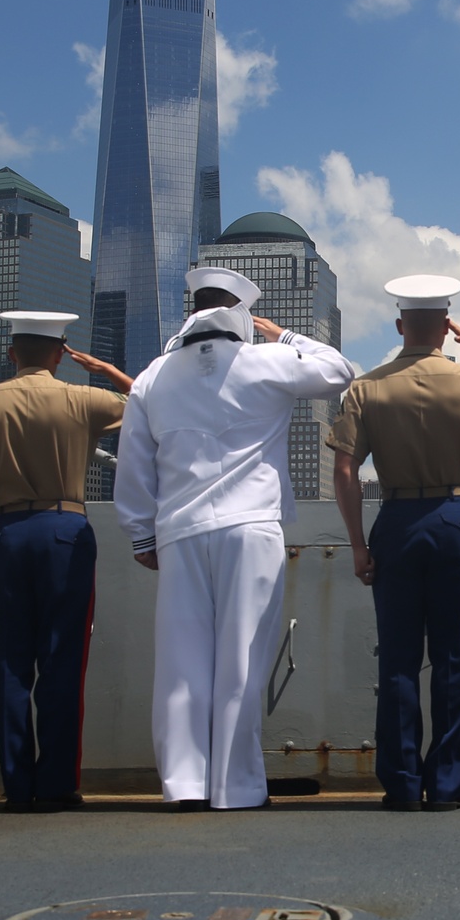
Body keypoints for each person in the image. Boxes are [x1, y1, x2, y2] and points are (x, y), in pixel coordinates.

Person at [114, 267, 354, 811]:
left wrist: (139, 535)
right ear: (242, 315)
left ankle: (183, 785)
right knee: (242, 661)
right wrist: (284, 336)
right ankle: (235, 786)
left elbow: (134, 467)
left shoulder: (153, 376)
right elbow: (338, 371)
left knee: (181, 664)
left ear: (191, 311)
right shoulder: (265, 362)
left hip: (178, 532)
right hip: (249, 527)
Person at [327, 274, 460, 811]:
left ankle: (400, 783)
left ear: (400, 325)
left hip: (396, 518)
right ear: (446, 327)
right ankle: (446, 784)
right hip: (453, 516)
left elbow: (346, 469)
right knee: (452, 658)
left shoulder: (366, 387)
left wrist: (356, 543)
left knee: (397, 657)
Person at [0, 311, 132, 812]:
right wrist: (103, 369)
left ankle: (17, 786)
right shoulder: (79, 398)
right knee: (62, 660)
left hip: (7, 535)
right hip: (65, 533)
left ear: (12, 354)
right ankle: (55, 785)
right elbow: (150, 405)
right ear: (59, 353)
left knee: (9, 663)